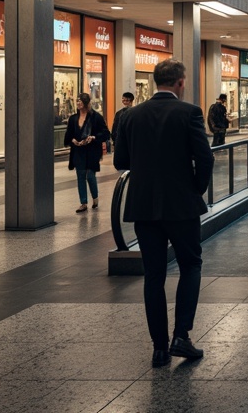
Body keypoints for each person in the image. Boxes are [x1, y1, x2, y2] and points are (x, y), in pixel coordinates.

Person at [112, 59, 214, 368]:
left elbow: (121, 161)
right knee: (191, 264)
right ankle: (181, 335)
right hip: (181, 205)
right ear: (180, 82)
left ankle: (158, 348)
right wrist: (195, 189)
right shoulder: (189, 113)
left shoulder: (131, 115)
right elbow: (205, 158)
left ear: (156, 81)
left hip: (143, 206)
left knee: (153, 275)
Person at [65, 92, 110, 213]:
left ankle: (95, 198)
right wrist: (73, 140)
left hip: (92, 151)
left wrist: (93, 137)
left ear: (86, 103)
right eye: (77, 101)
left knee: (90, 175)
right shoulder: (73, 118)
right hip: (78, 151)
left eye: (80, 101)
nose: (78, 103)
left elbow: (106, 133)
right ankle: (83, 202)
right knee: (80, 176)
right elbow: (68, 136)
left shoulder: (95, 117)